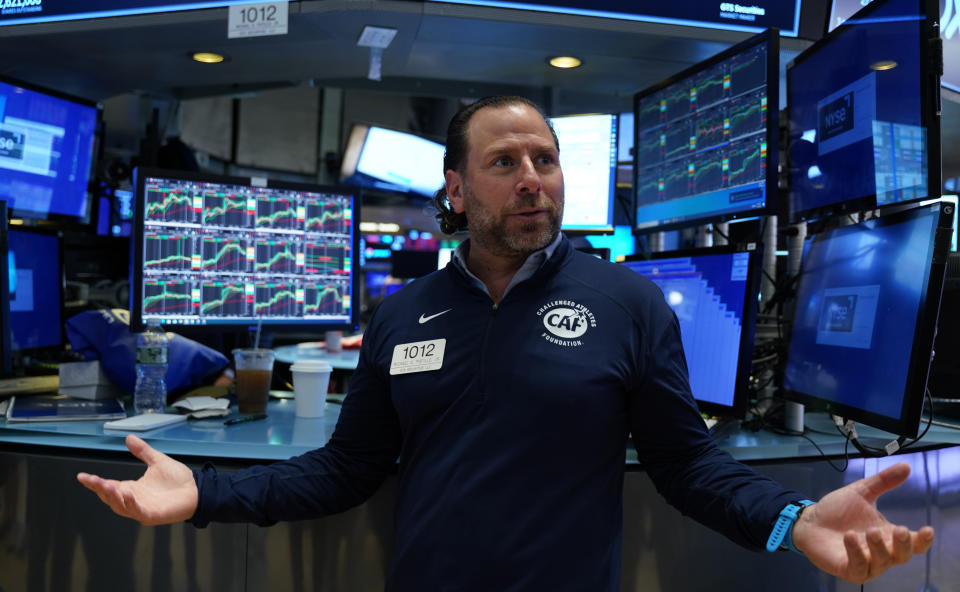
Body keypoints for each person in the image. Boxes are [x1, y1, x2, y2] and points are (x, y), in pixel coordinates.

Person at [78, 96, 934, 590]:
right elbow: (347, 469)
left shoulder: (627, 303)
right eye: (504, 162)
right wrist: (204, 493)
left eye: (546, 159)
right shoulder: (405, 313)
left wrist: (792, 519)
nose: (532, 177)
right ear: (455, 187)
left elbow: (688, 465)